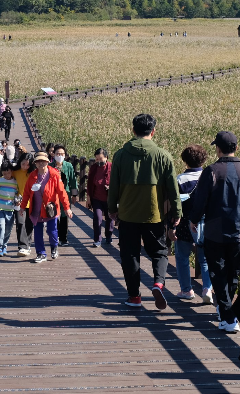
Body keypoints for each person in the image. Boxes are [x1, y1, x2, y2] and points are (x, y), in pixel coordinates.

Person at [187, 131, 240, 333]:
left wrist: (193, 220)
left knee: (217, 272)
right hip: (239, 231)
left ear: (218, 149)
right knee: (233, 273)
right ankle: (226, 311)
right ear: (236, 148)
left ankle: (228, 316)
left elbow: (200, 200)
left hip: (214, 231)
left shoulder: (211, 171)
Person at [108, 114, 181, 309]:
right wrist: (176, 212)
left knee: (130, 255)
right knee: (159, 252)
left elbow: (113, 186)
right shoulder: (163, 155)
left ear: (133, 130)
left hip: (127, 214)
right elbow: (173, 189)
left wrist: (111, 209)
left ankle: (134, 297)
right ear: (153, 131)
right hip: (154, 214)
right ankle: (158, 282)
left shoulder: (121, 155)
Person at [174, 145, 213, 303]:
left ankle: (186, 290)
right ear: (204, 160)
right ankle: (207, 288)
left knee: (182, 256)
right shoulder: (209, 177)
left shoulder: (180, 179)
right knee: (205, 258)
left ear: (185, 161)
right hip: (205, 223)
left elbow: (175, 204)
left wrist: (172, 225)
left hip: (184, 222)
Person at [21, 152, 72, 263]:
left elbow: (62, 192)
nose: (41, 163)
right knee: (37, 231)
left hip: (50, 209)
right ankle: (41, 253)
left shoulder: (54, 174)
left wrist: (67, 207)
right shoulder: (32, 176)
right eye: (38, 161)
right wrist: (22, 207)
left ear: (47, 162)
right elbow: (26, 192)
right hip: (36, 208)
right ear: (35, 163)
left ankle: (54, 247)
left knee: (52, 230)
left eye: (43, 161)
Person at [50, 144, 78, 246]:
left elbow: (73, 181)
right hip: (53, 194)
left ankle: (63, 238)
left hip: (66, 194)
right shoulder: (50, 166)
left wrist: (74, 195)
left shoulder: (68, 166)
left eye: (62, 154)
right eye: (58, 153)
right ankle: (55, 235)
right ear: (54, 154)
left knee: (64, 215)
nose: (60, 155)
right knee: (53, 214)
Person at [0, 161, 19, 256]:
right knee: (1, 228)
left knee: (8, 229)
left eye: (8, 173)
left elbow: (17, 195)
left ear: (12, 171)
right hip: (0, 209)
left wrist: (18, 201)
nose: (7, 175)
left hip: (10, 210)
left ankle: (4, 246)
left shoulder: (15, 183)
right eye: (4, 173)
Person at [86, 148, 112, 247]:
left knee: (110, 219)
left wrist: (110, 187)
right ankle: (97, 239)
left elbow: (117, 181)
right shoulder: (93, 168)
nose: (98, 161)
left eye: (100, 159)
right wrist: (88, 197)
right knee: (97, 218)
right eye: (97, 159)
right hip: (96, 198)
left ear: (106, 158)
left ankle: (109, 235)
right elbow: (89, 184)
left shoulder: (112, 167)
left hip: (109, 198)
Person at [12, 153, 35, 256]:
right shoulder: (15, 172)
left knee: (29, 224)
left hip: (32, 202)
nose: (25, 166)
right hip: (19, 202)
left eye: (28, 165)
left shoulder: (33, 173)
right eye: (23, 164)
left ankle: (28, 244)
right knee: (20, 223)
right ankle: (22, 246)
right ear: (20, 162)